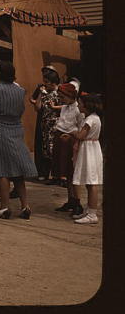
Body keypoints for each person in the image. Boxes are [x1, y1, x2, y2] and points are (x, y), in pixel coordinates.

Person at [0, 61, 37, 219]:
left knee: (2, 169)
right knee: (18, 170)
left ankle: (4, 206)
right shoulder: (20, 90)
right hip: (16, 128)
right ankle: (25, 205)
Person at [52, 83, 84, 216]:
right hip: (60, 138)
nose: (61, 99)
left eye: (62, 96)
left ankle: (77, 201)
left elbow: (81, 128)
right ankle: (70, 199)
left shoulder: (78, 110)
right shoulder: (65, 107)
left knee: (73, 171)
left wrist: (72, 136)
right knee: (65, 171)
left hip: (70, 141)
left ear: (70, 96)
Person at [71, 94, 103, 224]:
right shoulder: (93, 118)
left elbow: (80, 135)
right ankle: (90, 210)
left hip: (90, 150)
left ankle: (92, 214)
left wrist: (72, 132)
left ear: (87, 105)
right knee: (90, 182)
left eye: (80, 103)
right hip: (91, 148)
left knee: (92, 182)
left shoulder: (90, 120)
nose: (78, 105)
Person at [31, 68, 61, 183]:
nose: (45, 84)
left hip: (56, 125)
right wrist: (40, 94)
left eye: (47, 82)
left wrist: (55, 108)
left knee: (54, 150)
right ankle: (45, 173)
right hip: (45, 125)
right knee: (46, 149)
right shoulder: (44, 93)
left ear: (53, 83)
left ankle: (57, 175)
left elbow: (67, 106)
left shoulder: (60, 92)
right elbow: (37, 107)